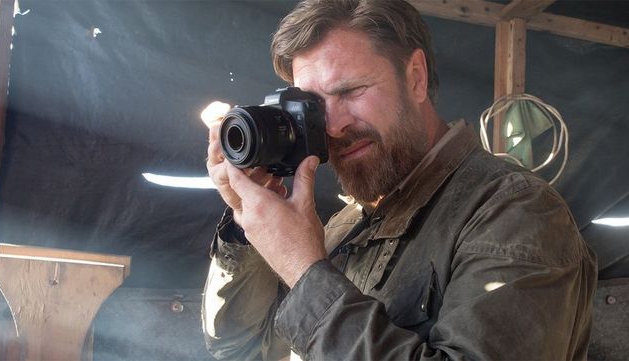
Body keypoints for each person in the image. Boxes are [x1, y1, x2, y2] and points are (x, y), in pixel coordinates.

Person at [201, 0, 597, 360]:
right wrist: (247, 228)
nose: (333, 126)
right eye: (315, 106)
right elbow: (242, 349)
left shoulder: (515, 212)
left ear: (416, 78)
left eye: (351, 91)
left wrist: (303, 269)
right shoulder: (345, 226)